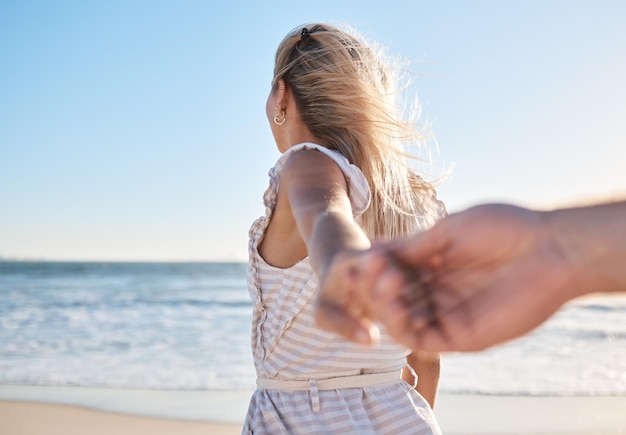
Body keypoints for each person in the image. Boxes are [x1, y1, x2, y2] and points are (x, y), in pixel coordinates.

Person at [243, 23, 446, 434]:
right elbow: (427, 358)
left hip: (304, 419)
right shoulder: (408, 202)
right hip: (403, 414)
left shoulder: (306, 163)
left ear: (282, 95)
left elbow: (326, 217)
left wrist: (342, 262)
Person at [314, 200, 626, 353]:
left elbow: (323, 209)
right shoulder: (403, 192)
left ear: (281, 97)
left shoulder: (305, 160)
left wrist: (335, 261)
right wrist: (552, 250)